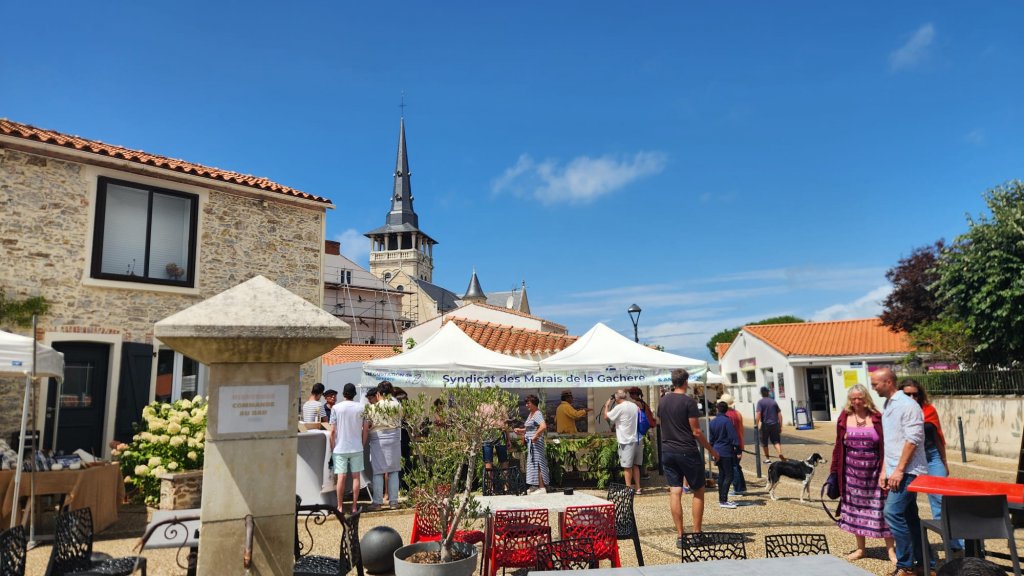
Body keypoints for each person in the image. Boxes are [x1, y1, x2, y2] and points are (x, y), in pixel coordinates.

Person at [871, 367, 931, 576]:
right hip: (896, 469)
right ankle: (926, 563)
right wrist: (884, 471)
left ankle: (906, 565)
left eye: (875, 384)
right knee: (909, 516)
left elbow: (913, 440)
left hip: (908, 470)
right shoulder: (888, 405)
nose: (873, 387)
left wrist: (898, 470)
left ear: (888, 382)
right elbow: (891, 443)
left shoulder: (908, 405)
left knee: (892, 512)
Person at [829, 383, 896, 563]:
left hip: (875, 476)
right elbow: (838, 446)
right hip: (851, 476)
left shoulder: (877, 418)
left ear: (866, 398)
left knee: (882, 512)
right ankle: (861, 549)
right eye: (853, 399)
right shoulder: (844, 418)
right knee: (856, 512)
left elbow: (888, 446)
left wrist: (886, 471)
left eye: (860, 398)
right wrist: (834, 471)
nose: (857, 401)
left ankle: (891, 551)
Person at [658, 368, 718, 549]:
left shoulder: (663, 401)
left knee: (675, 492)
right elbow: (696, 431)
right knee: (698, 490)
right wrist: (712, 451)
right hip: (687, 450)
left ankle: (680, 535)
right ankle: (697, 533)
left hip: (667, 450)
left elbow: (662, 422)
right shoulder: (689, 402)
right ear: (686, 382)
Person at [902, 378, 962, 552]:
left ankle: (956, 545)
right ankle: (915, 548)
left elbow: (938, 437)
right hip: (909, 460)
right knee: (905, 504)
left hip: (931, 456)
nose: (912, 397)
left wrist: (944, 461)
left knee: (941, 499)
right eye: (907, 394)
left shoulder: (929, 410)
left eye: (915, 394)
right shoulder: (896, 412)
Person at [364, 381, 403, 509]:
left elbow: (368, 424)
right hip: (394, 437)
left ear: (379, 393)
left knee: (378, 471)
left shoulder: (373, 407)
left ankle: (377, 502)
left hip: (378, 438)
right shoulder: (397, 405)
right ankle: (393, 501)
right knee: (393, 470)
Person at [329, 383, 364, 514]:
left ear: (343, 394)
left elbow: (332, 431)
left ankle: (339, 506)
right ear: (354, 394)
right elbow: (365, 429)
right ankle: (354, 506)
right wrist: (363, 443)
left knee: (341, 477)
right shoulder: (361, 407)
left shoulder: (336, 408)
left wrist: (332, 446)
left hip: (340, 447)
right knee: (356, 477)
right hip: (356, 446)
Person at [604, 389, 643, 494]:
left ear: (616, 398)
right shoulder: (633, 405)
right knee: (635, 465)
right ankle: (638, 488)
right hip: (638, 439)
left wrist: (606, 406)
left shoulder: (619, 407)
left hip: (626, 440)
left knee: (627, 466)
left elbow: (606, 417)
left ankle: (628, 489)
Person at [514, 394, 549, 493]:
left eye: (528, 403)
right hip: (531, 443)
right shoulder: (531, 414)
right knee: (533, 463)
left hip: (536, 443)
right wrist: (520, 430)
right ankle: (535, 485)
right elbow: (530, 428)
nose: (526, 405)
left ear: (533, 403)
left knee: (538, 463)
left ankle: (542, 487)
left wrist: (536, 435)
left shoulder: (537, 414)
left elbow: (543, 426)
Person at [709, 401, 740, 509]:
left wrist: (711, 451)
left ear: (717, 409)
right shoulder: (727, 421)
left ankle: (721, 499)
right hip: (726, 451)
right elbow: (734, 437)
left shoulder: (712, 422)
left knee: (722, 474)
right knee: (729, 475)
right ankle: (723, 499)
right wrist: (738, 450)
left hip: (716, 450)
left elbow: (711, 439)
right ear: (726, 409)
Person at [718, 394, 747, 495]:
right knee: (736, 466)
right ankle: (741, 487)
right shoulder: (737, 413)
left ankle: (738, 488)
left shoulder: (726, 416)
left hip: (730, 444)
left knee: (733, 466)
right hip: (738, 441)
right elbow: (741, 429)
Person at [755, 386, 785, 463]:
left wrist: (756, 424)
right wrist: (780, 426)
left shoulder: (760, 402)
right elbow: (779, 415)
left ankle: (768, 459)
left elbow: (758, 413)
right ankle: (780, 453)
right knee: (776, 441)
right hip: (775, 424)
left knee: (764, 442)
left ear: (761, 393)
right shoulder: (773, 402)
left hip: (765, 425)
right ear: (768, 393)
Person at [479, 397, 510, 472]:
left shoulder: (481, 406)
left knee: (488, 461)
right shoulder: (500, 405)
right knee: (503, 460)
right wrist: (508, 439)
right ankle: (505, 483)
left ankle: (490, 483)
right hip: (499, 431)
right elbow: (506, 424)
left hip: (487, 432)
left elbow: (478, 424)